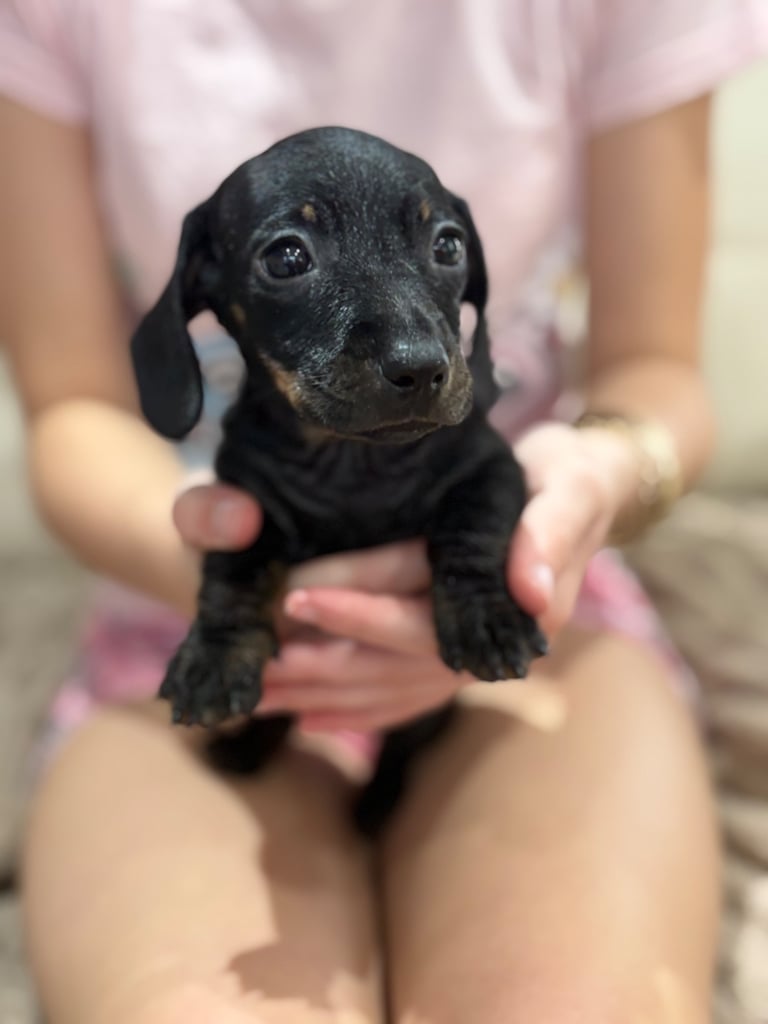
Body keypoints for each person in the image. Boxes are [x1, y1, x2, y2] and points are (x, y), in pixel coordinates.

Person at [1, 1, 767, 1021]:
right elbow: (75, 406)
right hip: (186, 620)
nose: (414, 350)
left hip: (519, 614)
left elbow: (654, 368)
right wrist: (245, 585)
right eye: (289, 257)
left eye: (440, 249)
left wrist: (593, 479)